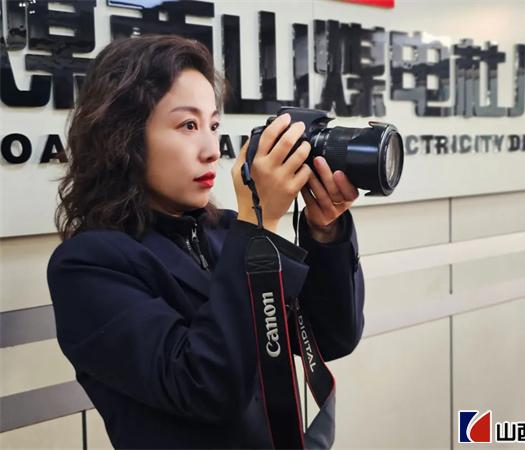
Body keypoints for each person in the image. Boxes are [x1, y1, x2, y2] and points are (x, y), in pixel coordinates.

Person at [47, 34, 364, 449]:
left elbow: (331, 337)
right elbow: (207, 387)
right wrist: (260, 224)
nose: (212, 150)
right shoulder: (87, 265)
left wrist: (324, 230)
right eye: (188, 125)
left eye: (213, 125)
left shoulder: (227, 231)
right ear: (123, 137)